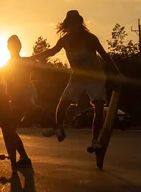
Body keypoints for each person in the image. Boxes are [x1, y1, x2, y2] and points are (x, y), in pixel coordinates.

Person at [36, 10, 122, 151]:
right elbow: (51, 51)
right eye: (69, 24)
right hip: (77, 78)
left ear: (79, 23)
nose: (72, 27)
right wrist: (32, 58)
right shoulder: (65, 40)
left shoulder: (90, 38)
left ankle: (95, 140)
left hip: (95, 77)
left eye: (75, 23)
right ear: (67, 25)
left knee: (98, 107)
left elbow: (105, 56)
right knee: (62, 104)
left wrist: (117, 73)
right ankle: (59, 128)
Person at [0, 35, 61, 170]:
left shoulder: (23, 62)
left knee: (9, 126)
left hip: (23, 95)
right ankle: (22, 157)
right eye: (11, 45)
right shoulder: (7, 64)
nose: (13, 47)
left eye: (14, 45)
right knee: (9, 127)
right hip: (17, 97)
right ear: (8, 47)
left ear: (19, 47)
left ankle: (55, 127)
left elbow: (40, 63)